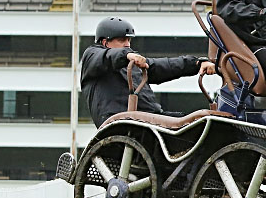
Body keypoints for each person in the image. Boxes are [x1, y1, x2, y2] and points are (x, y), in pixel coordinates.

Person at [80, 16, 215, 127]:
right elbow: (106, 57)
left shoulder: (132, 65)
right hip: (121, 123)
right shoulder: (92, 57)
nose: (128, 44)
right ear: (105, 43)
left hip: (150, 120)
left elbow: (163, 66)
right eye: (122, 40)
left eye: (129, 40)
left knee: (201, 122)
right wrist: (126, 55)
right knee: (192, 126)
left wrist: (196, 64)